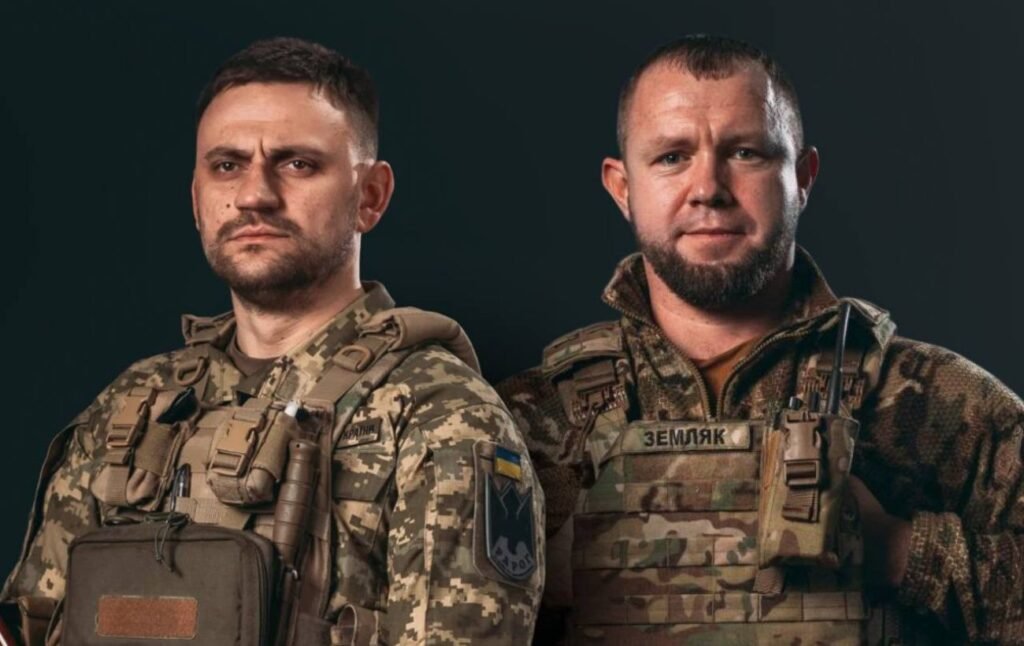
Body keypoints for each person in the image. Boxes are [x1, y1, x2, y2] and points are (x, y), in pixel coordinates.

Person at [1, 37, 542, 645]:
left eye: (297, 163)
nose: (254, 194)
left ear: (370, 196)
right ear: (198, 201)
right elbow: (34, 622)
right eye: (227, 165)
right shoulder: (135, 402)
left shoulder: (438, 413)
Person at [497, 34, 1023, 644]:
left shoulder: (932, 402)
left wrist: (901, 552)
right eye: (671, 157)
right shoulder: (529, 420)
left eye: (745, 153)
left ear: (802, 177)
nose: (708, 188)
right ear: (622, 187)